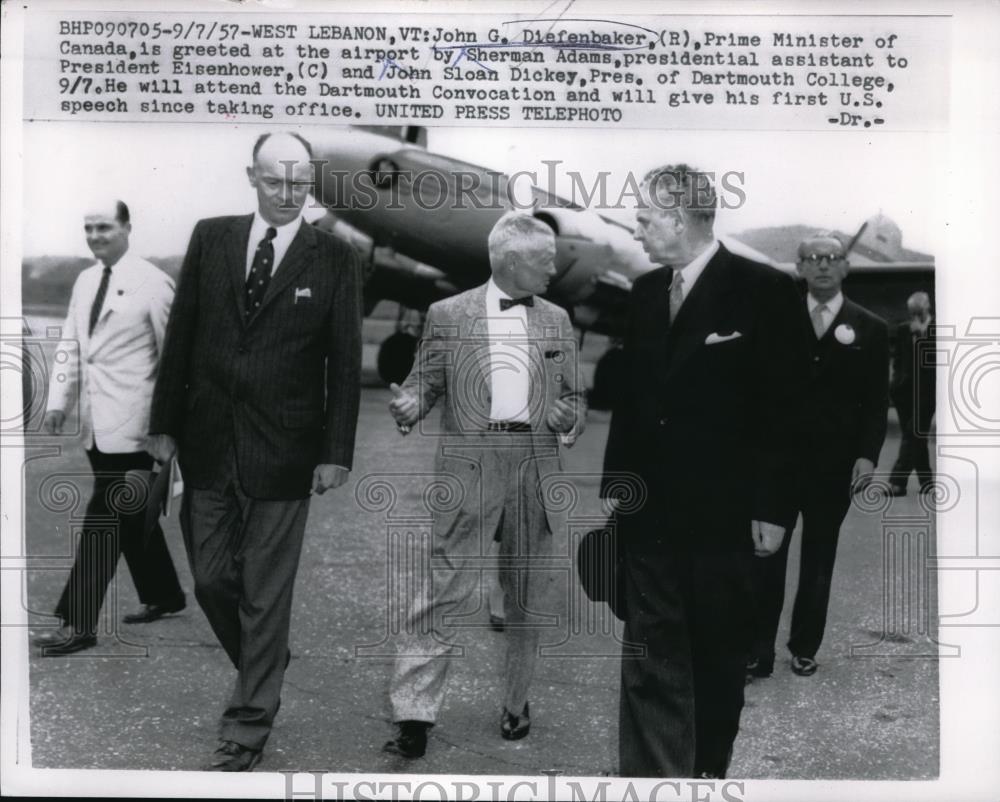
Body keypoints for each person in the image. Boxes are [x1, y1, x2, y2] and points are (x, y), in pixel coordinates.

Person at [146, 133, 363, 771]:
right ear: (252, 176)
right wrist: (164, 426)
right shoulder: (210, 238)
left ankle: (247, 727)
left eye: (300, 184)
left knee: (266, 594)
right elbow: (181, 334)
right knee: (212, 578)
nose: (288, 194)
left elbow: (345, 364)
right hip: (207, 439)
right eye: (276, 182)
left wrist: (336, 452)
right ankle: (266, 660)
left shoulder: (334, 258)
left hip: (287, 450)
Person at [600, 165, 808, 778]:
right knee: (647, 654)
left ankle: (706, 772)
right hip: (650, 515)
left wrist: (775, 507)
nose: (636, 229)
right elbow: (633, 404)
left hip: (727, 517)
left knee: (716, 653)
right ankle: (648, 775)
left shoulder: (763, 290)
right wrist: (618, 485)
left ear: (678, 217)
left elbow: (789, 410)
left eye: (643, 218)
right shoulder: (643, 294)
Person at [383, 211, 586, 759]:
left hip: (534, 464)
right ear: (511, 259)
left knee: (527, 596)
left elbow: (573, 396)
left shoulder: (557, 319)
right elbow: (423, 384)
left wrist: (570, 418)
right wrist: (409, 405)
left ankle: (517, 704)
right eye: (546, 260)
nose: (554, 269)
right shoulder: (448, 313)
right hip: (469, 462)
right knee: (442, 591)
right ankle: (414, 715)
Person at [33, 200, 186, 657]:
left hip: (138, 428)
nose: (95, 235)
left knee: (103, 521)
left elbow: (175, 359)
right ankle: (164, 593)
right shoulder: (85, 280)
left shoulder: (153, 283)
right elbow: (71, 344)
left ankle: (77, 622)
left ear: (127, 229)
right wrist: (60, 400)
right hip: (98, 425)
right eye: (89, 228)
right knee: (130, 514)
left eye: (104, 227)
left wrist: (167, 428)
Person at [749, 234, 889, 679]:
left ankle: (805, 646)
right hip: (777, 465)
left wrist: (867, 456)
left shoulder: (870, 328)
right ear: (800, 267)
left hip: (834, 467)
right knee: (765, 556)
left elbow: (875, 401)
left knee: (819, 558)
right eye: (813, 259)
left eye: (832, 258)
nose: (823, 265)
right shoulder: (775, 321)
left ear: (846, 267)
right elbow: (756, 391)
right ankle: (757, 651)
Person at [888, 291, 936, 495]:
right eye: (912, 312)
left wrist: (923, 336)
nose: (915, 316)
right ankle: (927, 483)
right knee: (916, 435)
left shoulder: (937, 330)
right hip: (904, 391)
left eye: (919, 312)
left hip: (928, 390)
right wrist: (895, 382)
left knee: (912, 432)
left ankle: (897, 482)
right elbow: (898, 359)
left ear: (927, 309)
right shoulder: (902, 329)